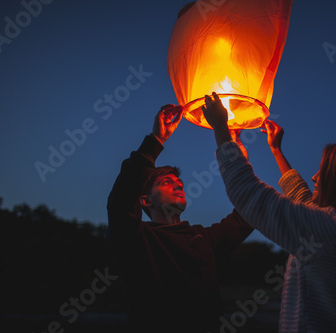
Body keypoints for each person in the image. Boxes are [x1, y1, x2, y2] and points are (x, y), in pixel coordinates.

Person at [201, 93, 336, 332]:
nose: (314, 177)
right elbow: (302, 198)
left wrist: (220, 129)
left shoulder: (332, 231)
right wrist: (276, 150)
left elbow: (248, 193)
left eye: (322, 172)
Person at [106, 104, 253, 333]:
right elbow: (122, 197)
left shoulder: (203, 239)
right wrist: (156, 139)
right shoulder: (134, 238)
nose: (178, 184)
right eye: (166, 182)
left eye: (180, 183)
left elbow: (249, 212)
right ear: (144, 200)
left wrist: (237, 158)